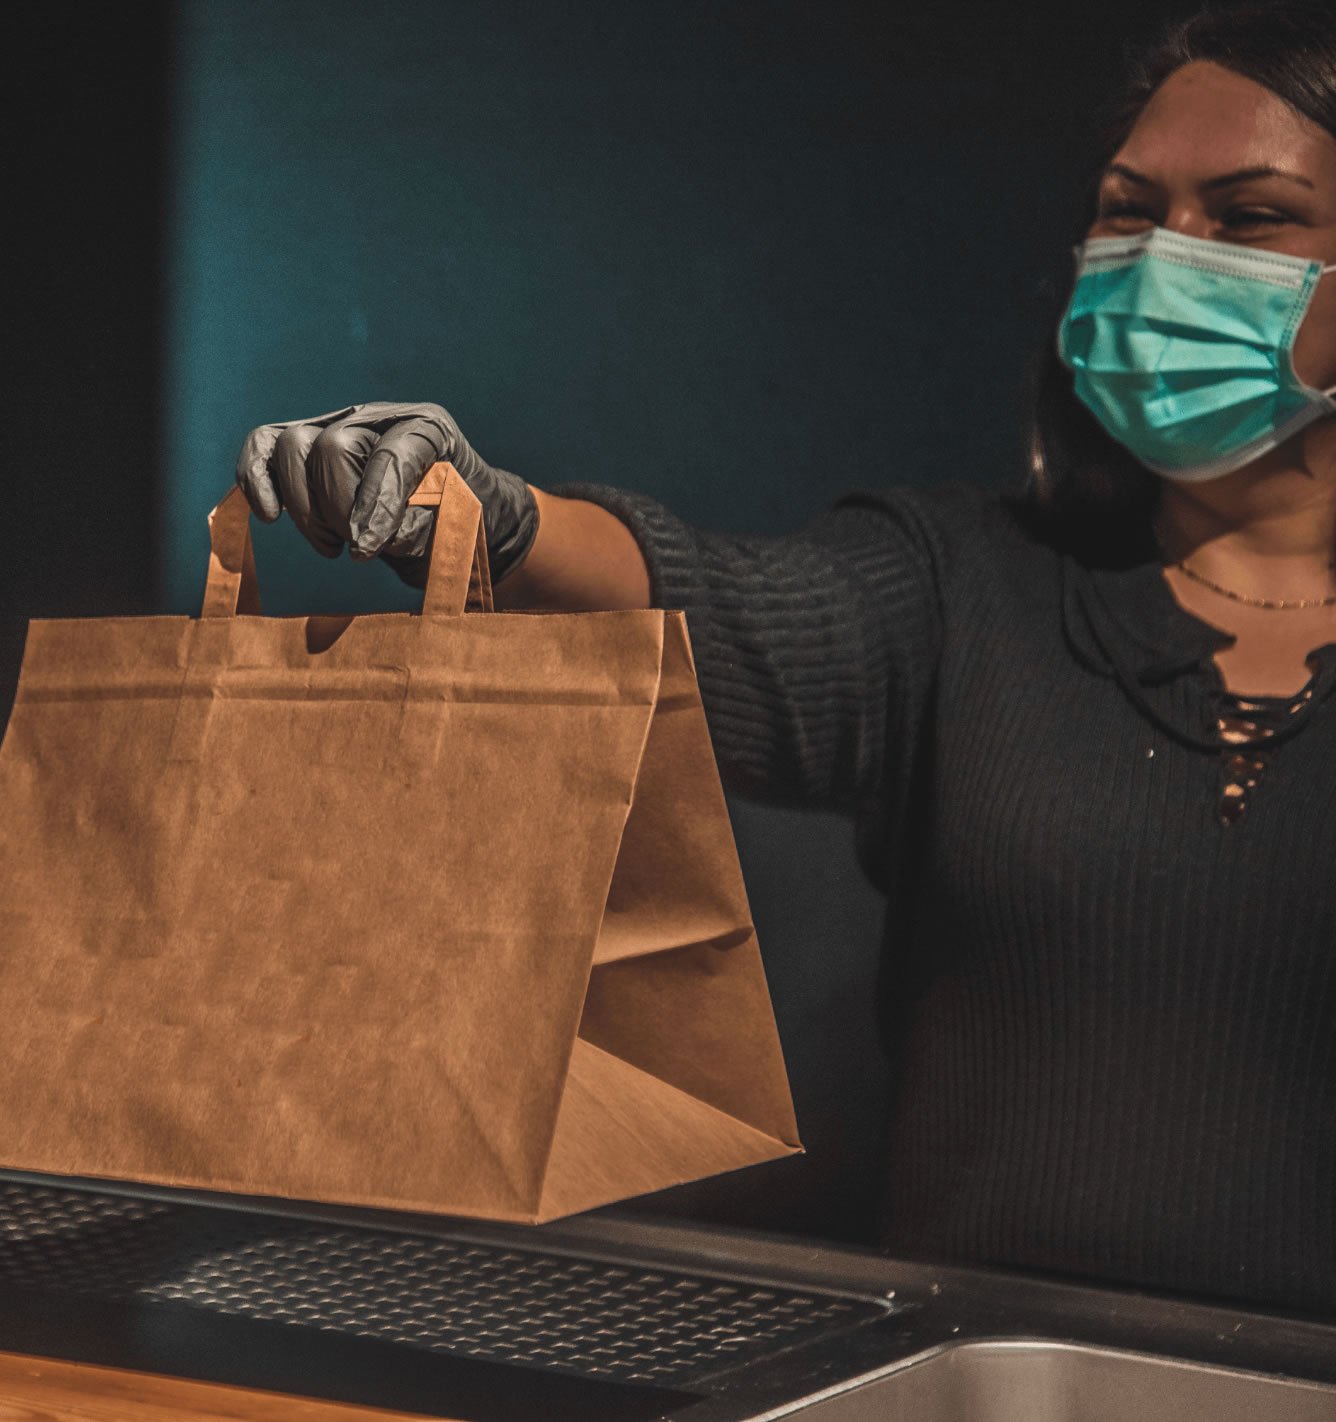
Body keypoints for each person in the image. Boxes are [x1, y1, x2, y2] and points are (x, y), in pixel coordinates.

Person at [234, 2, 1336, 1314]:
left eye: (1251, 216)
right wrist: (501, 518)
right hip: (970, 1383)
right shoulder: (963, 585)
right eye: (1126, 211)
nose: (1168, 260)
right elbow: (730, 606)